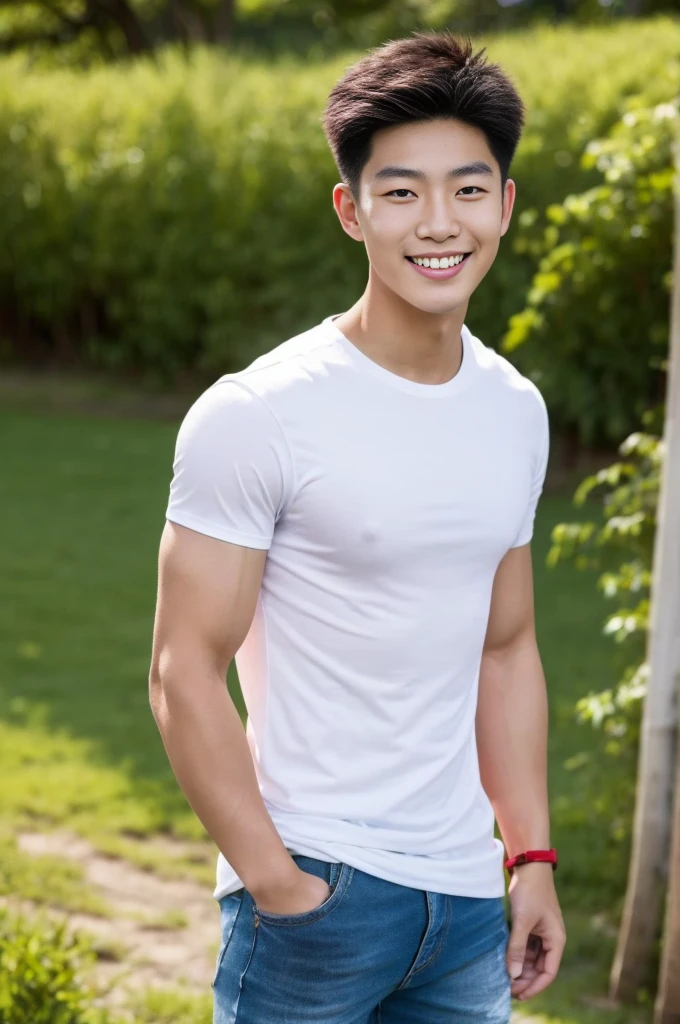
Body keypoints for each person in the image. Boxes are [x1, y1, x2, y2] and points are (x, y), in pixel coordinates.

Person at [149, 28, 566, 1024]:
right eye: (400, 191)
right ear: (352, 209)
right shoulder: (259, 413)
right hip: (317, 889)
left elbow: (504, 648)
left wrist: (531, 857)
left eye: (467, 189)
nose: (438, 222)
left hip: (466, 901)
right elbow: (181, 670)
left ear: (502, 204)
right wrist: (277, 883)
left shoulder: (514, 409)